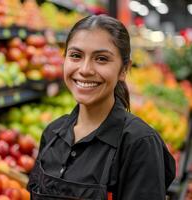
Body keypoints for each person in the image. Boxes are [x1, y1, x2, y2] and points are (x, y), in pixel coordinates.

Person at [27, 15, 175, 200]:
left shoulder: (139, 143)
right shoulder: (52, 134)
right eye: (75, 55)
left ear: (123, 70)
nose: (85, 69)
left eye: (101, 59)